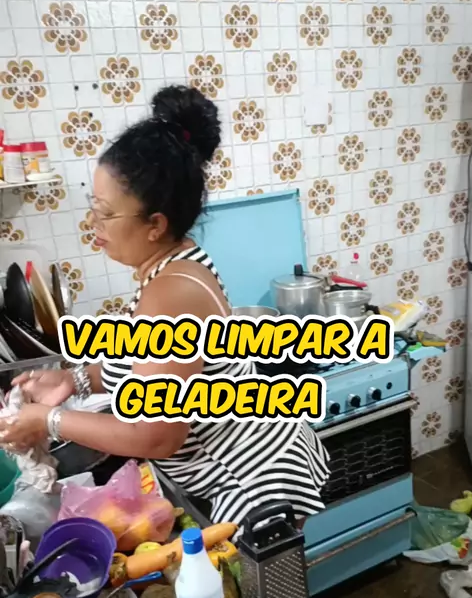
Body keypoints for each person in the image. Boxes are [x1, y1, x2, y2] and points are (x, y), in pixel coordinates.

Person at [0, 85, 329, 527]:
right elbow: (149, 368)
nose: (94, 225)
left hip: (250, 482)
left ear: (155, 224)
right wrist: (74, 379)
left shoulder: (171, 294)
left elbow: (156, 436)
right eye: (94, 208)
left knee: (257, 577)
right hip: (234, 468)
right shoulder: (170, 267)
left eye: (106, 213)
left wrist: (49, 420)